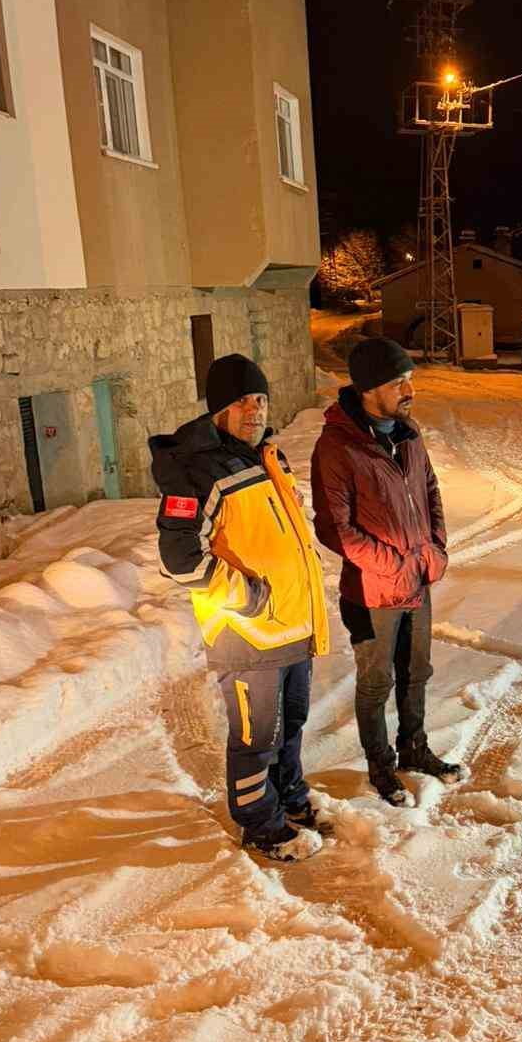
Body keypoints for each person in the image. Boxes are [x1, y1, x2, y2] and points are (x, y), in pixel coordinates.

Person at [150, 353, 330, 862]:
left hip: (290, 626)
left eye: (261, 399)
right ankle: (259, 823)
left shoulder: (268, 456)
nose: (255, 409)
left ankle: (290, 800)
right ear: (218, 410)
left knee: (290, 723)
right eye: (242, 401)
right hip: (248, 636)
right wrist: (247, 595)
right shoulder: (196, 472)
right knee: (257, 736)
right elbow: (179, 558)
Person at [311, 337, 465, 805]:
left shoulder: (408, 433)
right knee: (377, 682)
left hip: (418, 579)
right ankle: (380, 767)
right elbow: (334, 528)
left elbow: (431, 490)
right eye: (399, 381)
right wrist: (393, 564)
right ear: (370, 388)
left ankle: (414, 749)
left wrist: (435, 547)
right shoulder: (337, 446)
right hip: (372, 592)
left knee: (417, 671)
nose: (409, 388)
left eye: (409, 379)